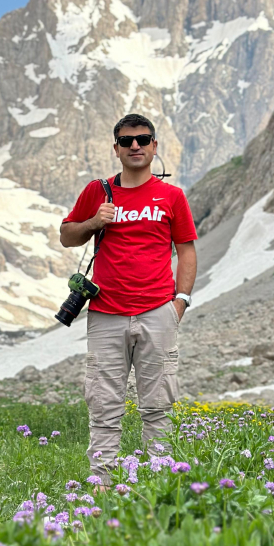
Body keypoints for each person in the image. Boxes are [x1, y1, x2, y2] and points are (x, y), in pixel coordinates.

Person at [60, 113, 197, 484]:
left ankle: (161, 483)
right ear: (116, 148)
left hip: (158, 312)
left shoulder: (172, 197)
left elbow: (186, 251)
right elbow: (67, 236)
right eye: (126, 141)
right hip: (106, 314)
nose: (134, 145)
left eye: (142, 139)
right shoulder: (98, 191)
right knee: (103, 405)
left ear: (154, 145)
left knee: (159, 405)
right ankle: (100, 488)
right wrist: (94, 222)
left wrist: (179, 303)